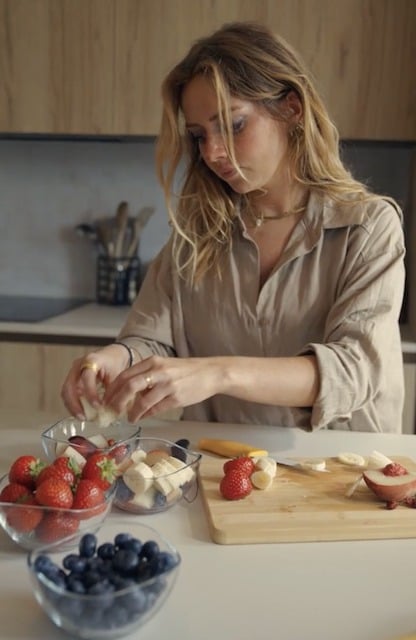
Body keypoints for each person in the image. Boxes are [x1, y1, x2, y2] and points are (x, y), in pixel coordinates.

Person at [62, 21, 406, 433]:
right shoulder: (199, 230)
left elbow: (355, 370)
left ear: (292, 109)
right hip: (218, 472)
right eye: (199, 135)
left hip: (339, 475)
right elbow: (152, 338)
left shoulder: (367, 227)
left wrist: (217, 373)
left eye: (233, 125)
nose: (212, 152)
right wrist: (114, 360)